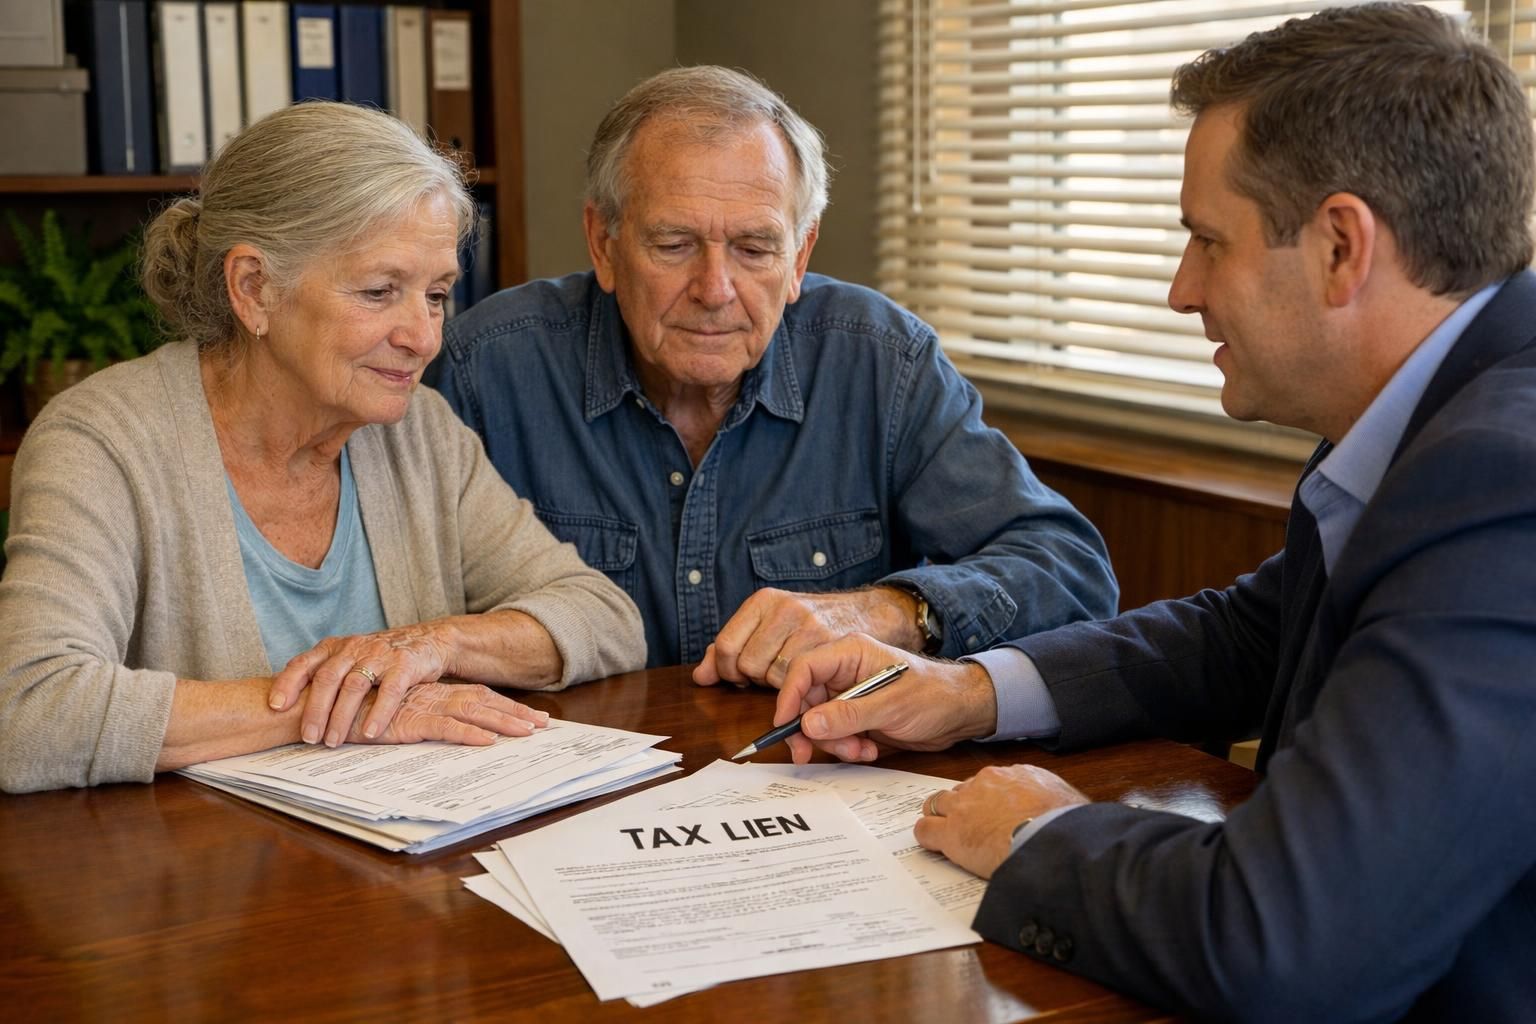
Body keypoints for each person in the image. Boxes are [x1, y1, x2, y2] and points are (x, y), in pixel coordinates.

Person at [771, 5, 1536, 1020]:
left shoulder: (1502, 482)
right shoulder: (1436, 414)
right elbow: (1261, 630)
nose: (1181, 290)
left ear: (1342, 247)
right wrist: (971, 691)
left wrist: (1040, 835)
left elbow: (1287, 938)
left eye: (1206, 241)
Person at [0, 102, 646, 794]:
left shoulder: (420, 430)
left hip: (397, 867)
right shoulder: (101, 442)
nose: (423, 337)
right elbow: (31, 714)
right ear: (253, 289)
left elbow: (606, 619)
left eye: (435, 295)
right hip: (197, 884)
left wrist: (436, 645)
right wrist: (348, 701)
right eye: (379, 292)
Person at [430, 66, 1117, 679]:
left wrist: (891, 612)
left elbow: (1070, 570)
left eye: (756, 247)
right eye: (674, 245)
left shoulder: (880, 362)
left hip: (818, 778)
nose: (715, 288)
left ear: (800, 255)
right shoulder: (485, 370)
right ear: (604, 245)